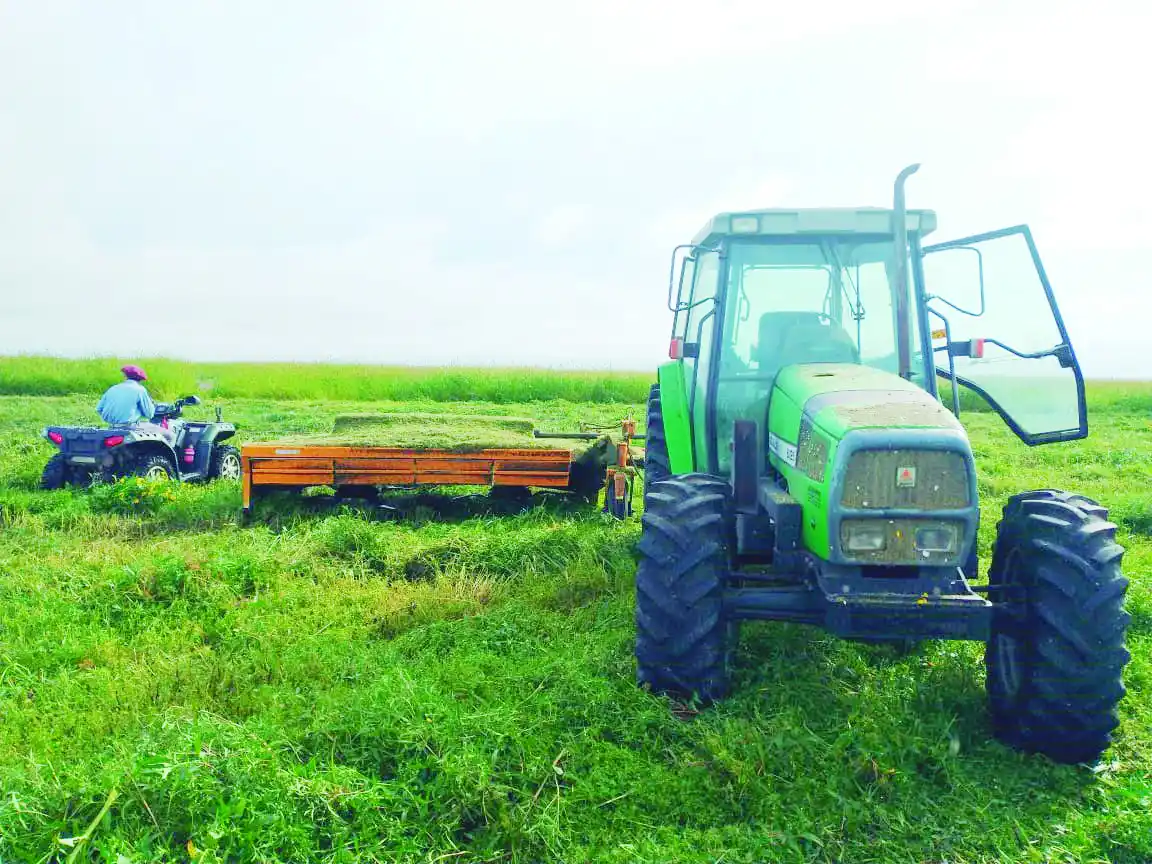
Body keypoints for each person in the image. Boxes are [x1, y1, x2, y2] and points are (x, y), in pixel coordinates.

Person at [96, 364, 176, 444]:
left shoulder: (113, 388)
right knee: (170, 436)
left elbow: (99, 409)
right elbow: (150, 414)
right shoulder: (140, 390)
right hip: (132, 427)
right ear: (140, 380)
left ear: (125, 376)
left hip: (112, 427)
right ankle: (163, 456)